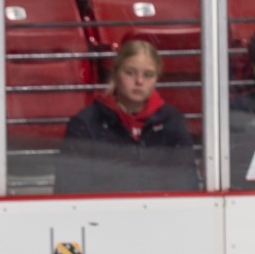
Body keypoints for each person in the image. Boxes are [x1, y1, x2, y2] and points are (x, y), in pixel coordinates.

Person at [54, 38, 197, 193]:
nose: (139, 81)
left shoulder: (172, 121)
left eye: (148, 75)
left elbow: (185, 184)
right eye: (130, 73)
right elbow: (69, 189)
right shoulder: (85, 123)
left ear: (157, 78)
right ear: (115, 73)